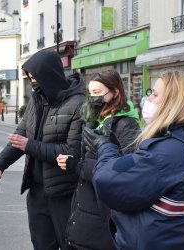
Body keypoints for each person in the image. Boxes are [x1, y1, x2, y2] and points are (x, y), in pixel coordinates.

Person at [83, 70, 184, 250]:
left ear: (174, 102)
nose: (148, 100)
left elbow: (108, 182)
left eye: (155, 95)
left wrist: (105, 147)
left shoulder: (167, 153)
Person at [0, 50, 85, 250]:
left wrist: (30, 146)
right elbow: (20, 135)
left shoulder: (78, 104)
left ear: (49, 75)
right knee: (41, 245)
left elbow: (71, 151)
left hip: (64, 192)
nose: (33, 83)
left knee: (69, 245)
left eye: (35, 78)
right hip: (37, 191)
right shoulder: (36, 100)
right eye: (30, 79)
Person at [56, 70, 140, 250]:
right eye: (90, 93)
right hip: (84, 209)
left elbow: (122, 172)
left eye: (97, 93)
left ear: (115, 92)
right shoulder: (94, 120)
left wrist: (77, 165)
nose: (93, 98)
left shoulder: (126, 125)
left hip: (103, 216)